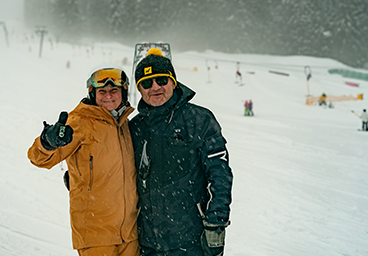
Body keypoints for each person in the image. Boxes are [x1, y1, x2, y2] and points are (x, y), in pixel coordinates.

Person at [129, 48, 233, 256]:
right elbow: (117, 168)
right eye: (147, 83)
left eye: (161, 80)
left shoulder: (200, 120)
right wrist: (85, 178)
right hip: (147, 242)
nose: (155, 88)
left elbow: (219, 174)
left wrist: (216, 224)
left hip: (191, 242)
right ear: (139, 89)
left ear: (173, 82)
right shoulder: (135, 128)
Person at [27, 68, 140, 256]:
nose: (108, 96)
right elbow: (39, 159)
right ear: (93, 94)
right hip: (96, 236)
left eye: (114, 91)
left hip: (129, 235)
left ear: (124, 93)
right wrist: (47, 142)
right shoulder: (80, 122)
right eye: (102, 92)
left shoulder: (125, 125)